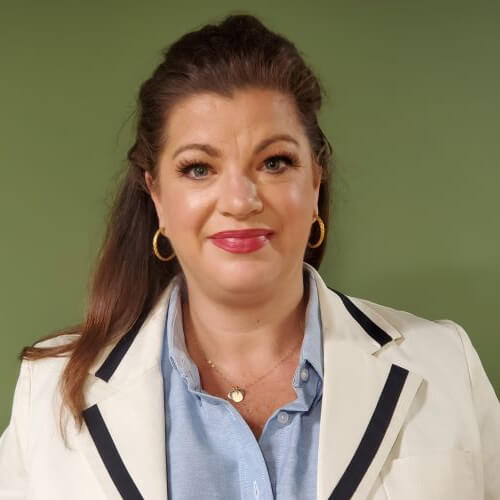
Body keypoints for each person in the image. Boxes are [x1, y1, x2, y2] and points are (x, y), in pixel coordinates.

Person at [0, 12, 499, 500]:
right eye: (199, 168)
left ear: (315, 180)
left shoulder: (444, 365)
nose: (240, 201)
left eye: (274, 162)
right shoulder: (50, 392)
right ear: (157, 197)